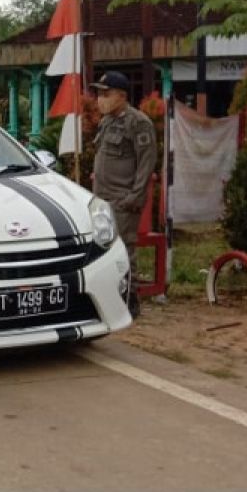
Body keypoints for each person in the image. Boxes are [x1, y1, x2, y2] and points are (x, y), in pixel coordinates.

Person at [91, 70, 157, 318]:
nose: (100, 99)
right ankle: (109, 296)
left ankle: (130, 299)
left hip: (123, 199)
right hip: (102, 198)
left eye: (106, 94)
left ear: (121, 95)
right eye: (99, 93)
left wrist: (134, 197)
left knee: (125, 249)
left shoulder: (138, 122)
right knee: (103, 248)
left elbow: (146, 163)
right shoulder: (106, 121)